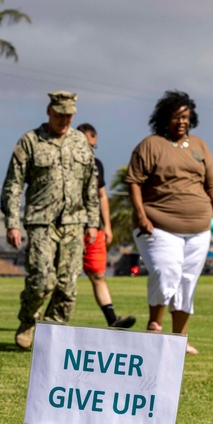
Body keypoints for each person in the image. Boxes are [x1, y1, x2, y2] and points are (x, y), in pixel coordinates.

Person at [124, 90, 213, 355]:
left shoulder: (199, 146)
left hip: (199, 227)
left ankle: (179, 338)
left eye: (186, 117)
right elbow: (134, 182)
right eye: (176, 117)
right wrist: (141, 215)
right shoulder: (150, 145)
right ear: (164, 118)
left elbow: (211, 186)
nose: (182, 121)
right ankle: (155, 325)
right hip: (158, 224)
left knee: (187, 281)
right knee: (166, 273)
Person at [1, 92, 99, 349]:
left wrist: (93, 222)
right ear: (49, 111)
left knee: (68, 286)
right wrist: (12, 222)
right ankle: (28, 321)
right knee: (43, 280)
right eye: (60, 115)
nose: (65, 120)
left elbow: (91, 184)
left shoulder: (80, 142)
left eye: (69, 115)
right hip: (41, 222)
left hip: (74, 222)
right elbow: (13, 185)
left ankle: (52, 334)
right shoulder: (30, 141)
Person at [77, 123, 136, 329]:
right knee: (62, 277)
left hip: (94, 229)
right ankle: (49, 322)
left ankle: (112, 319)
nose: (89, 150)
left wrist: (107, 226)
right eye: (85, 144)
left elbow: (102, 196)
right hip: (69, 228)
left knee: (98, 274)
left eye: (93, 146)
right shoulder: (65, 162)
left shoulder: (96, 165)